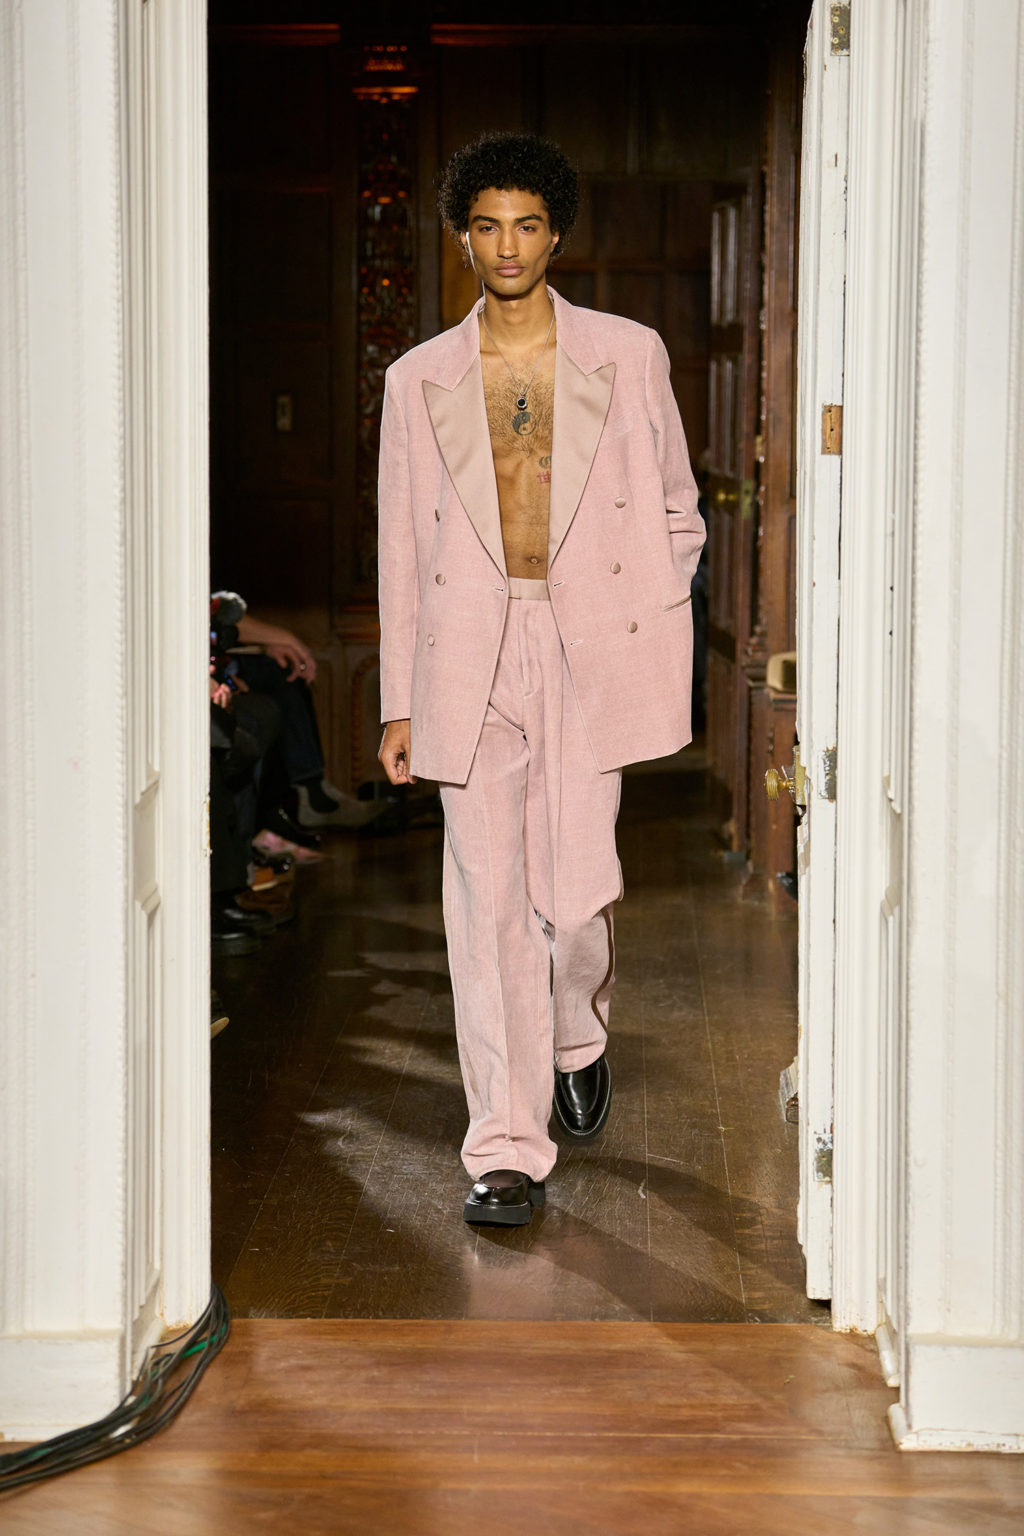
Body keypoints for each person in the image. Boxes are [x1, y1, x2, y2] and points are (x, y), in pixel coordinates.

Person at [377, 132, 705, 1227]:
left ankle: (577, 1033)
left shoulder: (629, 353)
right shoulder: (417, 377)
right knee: (485, 906)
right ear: (461, 238)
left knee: (575, 894)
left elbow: (677, 505)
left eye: (526, 225)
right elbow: (398, 548)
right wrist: (399, 700)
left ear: (556, 234)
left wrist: (648, 608)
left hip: (590, 643)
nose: (507, 246)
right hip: (468, 651)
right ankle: (506, 1146)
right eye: (487, 226)